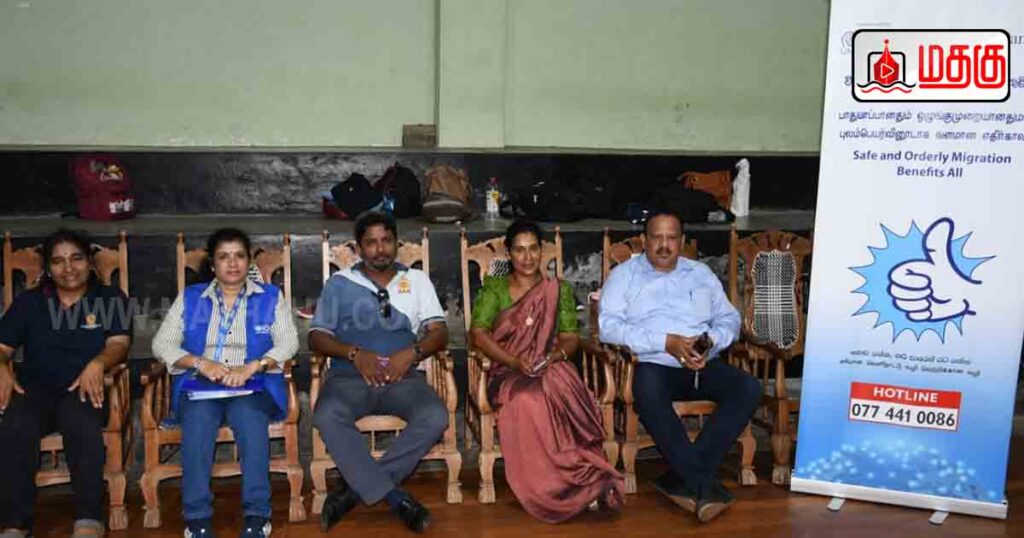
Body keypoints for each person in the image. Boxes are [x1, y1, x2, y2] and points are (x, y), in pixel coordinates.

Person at [598, 211, 760, 523]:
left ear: (682, 241)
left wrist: (710, 341)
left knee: (747, 387)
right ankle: (703, 483)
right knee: (647, 390)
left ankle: (682, 477)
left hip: (701, 362)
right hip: (654, 363)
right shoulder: (625, 276)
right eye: (656, 237)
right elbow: (609, 327)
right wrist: (665, 342)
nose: (664, 245)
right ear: (644, 241)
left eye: (671, 238)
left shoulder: (701, 274)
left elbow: (729, 318)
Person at [469, 220, 624, 523]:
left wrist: (552, 357)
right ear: (508, 254)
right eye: (519, 250)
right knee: (528, 399)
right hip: (506, 370)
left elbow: (570, 337)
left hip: (550, 365)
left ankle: (585, 479)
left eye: (533, 249)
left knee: (562, 390)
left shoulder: (558, 289)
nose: (527, 257)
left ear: (542, 251)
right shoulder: (495, 289)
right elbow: (478, 334)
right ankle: (553, 489)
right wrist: (514, 361)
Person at [152, 228, 298, 538]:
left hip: (252, 385)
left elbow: (289, 343)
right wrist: (201, 363)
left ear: (249, 262)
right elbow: (162, 344)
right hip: (200, 386)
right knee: (198, 422)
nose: (232, 264)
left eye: (239, 256)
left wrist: (254, 366)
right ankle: (197, 519)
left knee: (249, 419)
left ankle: (257, 515)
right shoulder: (191, 298)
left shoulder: (270, 297)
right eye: (223, 257)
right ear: (212, 264)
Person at [311, 212, 449, 534]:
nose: (380, 248)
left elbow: (439, 333)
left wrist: (411, 354)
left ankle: (354, 491)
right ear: (358, 248)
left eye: (386, 240)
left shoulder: (417, 280)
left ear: (396, 243)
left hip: (403, 376)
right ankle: (395, 497)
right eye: (371, 242)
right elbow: (316, 337)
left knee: (435, 416)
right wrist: (355, 354)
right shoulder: (339, 283)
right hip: (350, 376)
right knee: (327, 414)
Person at [0, 229, 132, 538]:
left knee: (80, 419)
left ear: (90, 262)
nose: (68, 268)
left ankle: (88, 519)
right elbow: (2, 347)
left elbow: (119, 344)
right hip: (36, 389)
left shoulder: (110, 298)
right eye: (58, 261)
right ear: (48, 268)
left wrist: (98, 363)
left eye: (76, 258)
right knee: (16, 424)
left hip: (85, 387)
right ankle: (15, 523)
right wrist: (2, 367)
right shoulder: (30, 302)